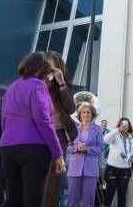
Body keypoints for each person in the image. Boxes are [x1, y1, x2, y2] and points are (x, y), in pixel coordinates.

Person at [0, 51, 65, 206]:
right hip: (34, 148)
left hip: (8, 147)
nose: (48, 76)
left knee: (13, 199)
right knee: (32, 199)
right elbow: (43, 121)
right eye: (48, 72)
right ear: (41, 70)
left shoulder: (11, 88)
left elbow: (4, 119)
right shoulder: (38, 85)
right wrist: (58, 153)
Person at [44, 50, 78, 207]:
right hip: (39, 134)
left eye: (53, 66)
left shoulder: (62, 84)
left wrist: (61, 83)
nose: (50, 70)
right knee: (36, 179)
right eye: (47, 66)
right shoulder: (39, 82)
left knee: (54, 182)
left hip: (58, 135)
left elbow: (71, 109)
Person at [67, 103, 103, 207]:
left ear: (92, 115)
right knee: (72, 200)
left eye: (88, 112)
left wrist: (88, 149)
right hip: (74, 168)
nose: (86, 114)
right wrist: (76, 148)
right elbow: (68, 147)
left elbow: (100, 148)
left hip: (91, 169)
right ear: (80, 115)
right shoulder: (74, 128)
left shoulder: (98, 129)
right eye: (84, 112)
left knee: (89, 201)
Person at [103, 117, 133, 207]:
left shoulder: (132, 140)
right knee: (109, 195)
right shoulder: (115, 136)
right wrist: (117, 130)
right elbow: (105, 139)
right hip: (112, 169)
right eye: (122, 124)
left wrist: (131, 157)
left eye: (126, 124)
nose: (125, 125)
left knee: (122, 196)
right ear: (119, 126)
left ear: (129, 126)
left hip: (125, 170)